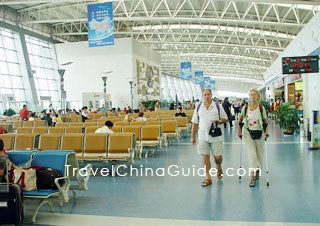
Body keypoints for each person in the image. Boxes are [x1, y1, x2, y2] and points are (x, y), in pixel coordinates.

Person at [191, 89, 228, 187]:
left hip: (216, 135)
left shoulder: (217, 106)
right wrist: (193, 137)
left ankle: (219, 166)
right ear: (202, 96)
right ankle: (208, 178)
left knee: (217, 157)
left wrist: (219, 121)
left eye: (208, 94)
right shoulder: (198, 107)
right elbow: (194, 122)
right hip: (202, 135)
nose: (206, 96)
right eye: (205, 94)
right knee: (205, 156)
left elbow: (225, 118)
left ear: (211, 95)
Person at [238, 88, 269, 187]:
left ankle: (257, 171)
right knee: (252, 154)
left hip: (259, 132)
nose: (252, 96)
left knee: (260, 155)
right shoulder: (245, 107)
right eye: (250, 94)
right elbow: (240, 119)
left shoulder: (261, 108)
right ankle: (252, 177)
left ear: (257, 96)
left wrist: (266, 132)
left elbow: (265, 121)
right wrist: (239, 131)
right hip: (247, 132)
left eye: (254, 94)